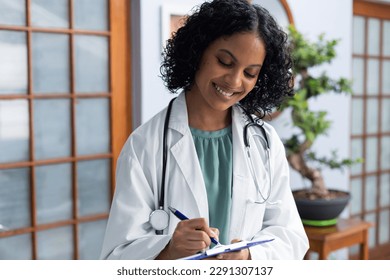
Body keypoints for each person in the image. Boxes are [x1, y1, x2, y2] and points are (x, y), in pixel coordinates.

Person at [100, 0, 309, 260]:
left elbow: (290, 236)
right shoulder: (144, 145)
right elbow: (116, 257)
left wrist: (249, 257)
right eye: (224, 61)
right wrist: (168, 249)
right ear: (198, 51)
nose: (234, 81)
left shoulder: (264, 142)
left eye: (250, 73)